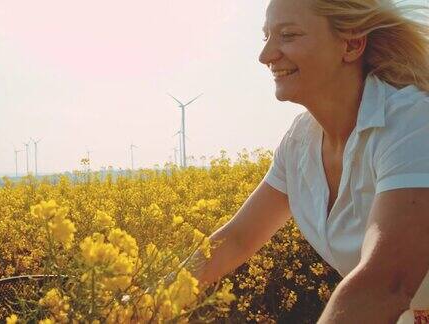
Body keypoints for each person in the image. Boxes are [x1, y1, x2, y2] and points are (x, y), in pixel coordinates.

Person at [180, 0, 429, 323]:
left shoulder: (412, 122)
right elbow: (236, 240)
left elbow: (385, 284)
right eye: (266, 36)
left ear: (352, 44)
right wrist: (147, 304)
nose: (266, 55)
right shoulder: (300, 141)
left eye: (288, 35)